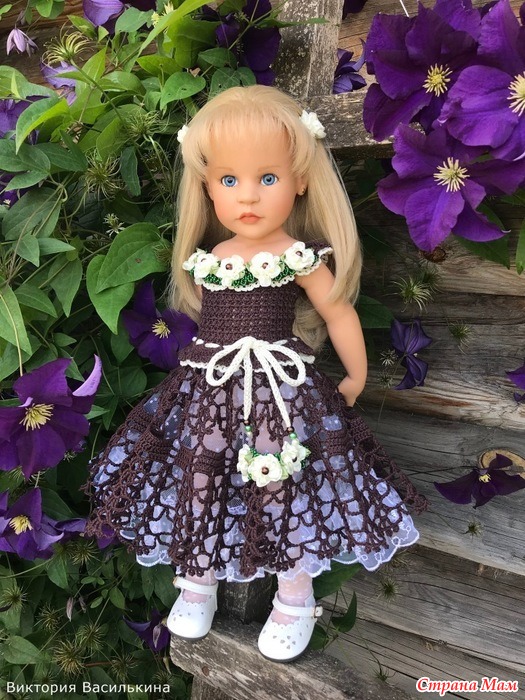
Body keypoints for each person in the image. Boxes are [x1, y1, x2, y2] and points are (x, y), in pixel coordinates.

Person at [84, 85, 427, 663]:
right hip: (210, 387)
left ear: (300, 181)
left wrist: (355, 375)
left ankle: (295, 596)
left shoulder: (297, 256)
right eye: (229, 179)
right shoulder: (208, 260)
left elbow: (338, 312)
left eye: (267, 178)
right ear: (206, 187)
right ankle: (198, 581)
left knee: (283, 483)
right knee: (200, 475)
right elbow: (207, 324)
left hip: (279, 389)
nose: (248, 196)